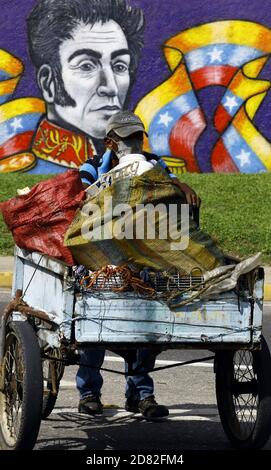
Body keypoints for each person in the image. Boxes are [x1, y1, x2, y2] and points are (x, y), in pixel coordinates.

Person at [78, 110, 200, 418]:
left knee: (149, 315)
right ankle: (89, 392)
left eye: (137, 136)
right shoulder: (91, 168)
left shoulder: (154, 163)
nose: (134, 142)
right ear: (110, 143)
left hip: (146, 253)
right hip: (102, 255)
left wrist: (180, 185)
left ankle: (141, 394)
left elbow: (170, 188)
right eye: (127, 138)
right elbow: (80, 203)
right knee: (93, 312)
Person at [23, 0, 145, 173]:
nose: (111, 87)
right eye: (86, 66)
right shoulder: (30, 173)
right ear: (48, 83)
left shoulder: (142, 168)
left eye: (119, 66)